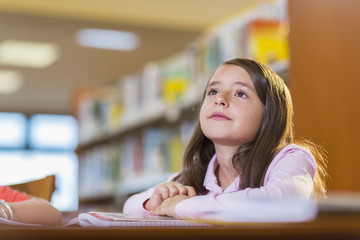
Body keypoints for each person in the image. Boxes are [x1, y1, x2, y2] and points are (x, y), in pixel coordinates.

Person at [123, 58, 327, 219]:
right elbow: (130, 205)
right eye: (213, 91)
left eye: (240, 93)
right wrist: (154, 202)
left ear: (270, 114)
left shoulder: (291, 158)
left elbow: (279, 203)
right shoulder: (196, 173)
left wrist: (184, 206)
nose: (220, 99)